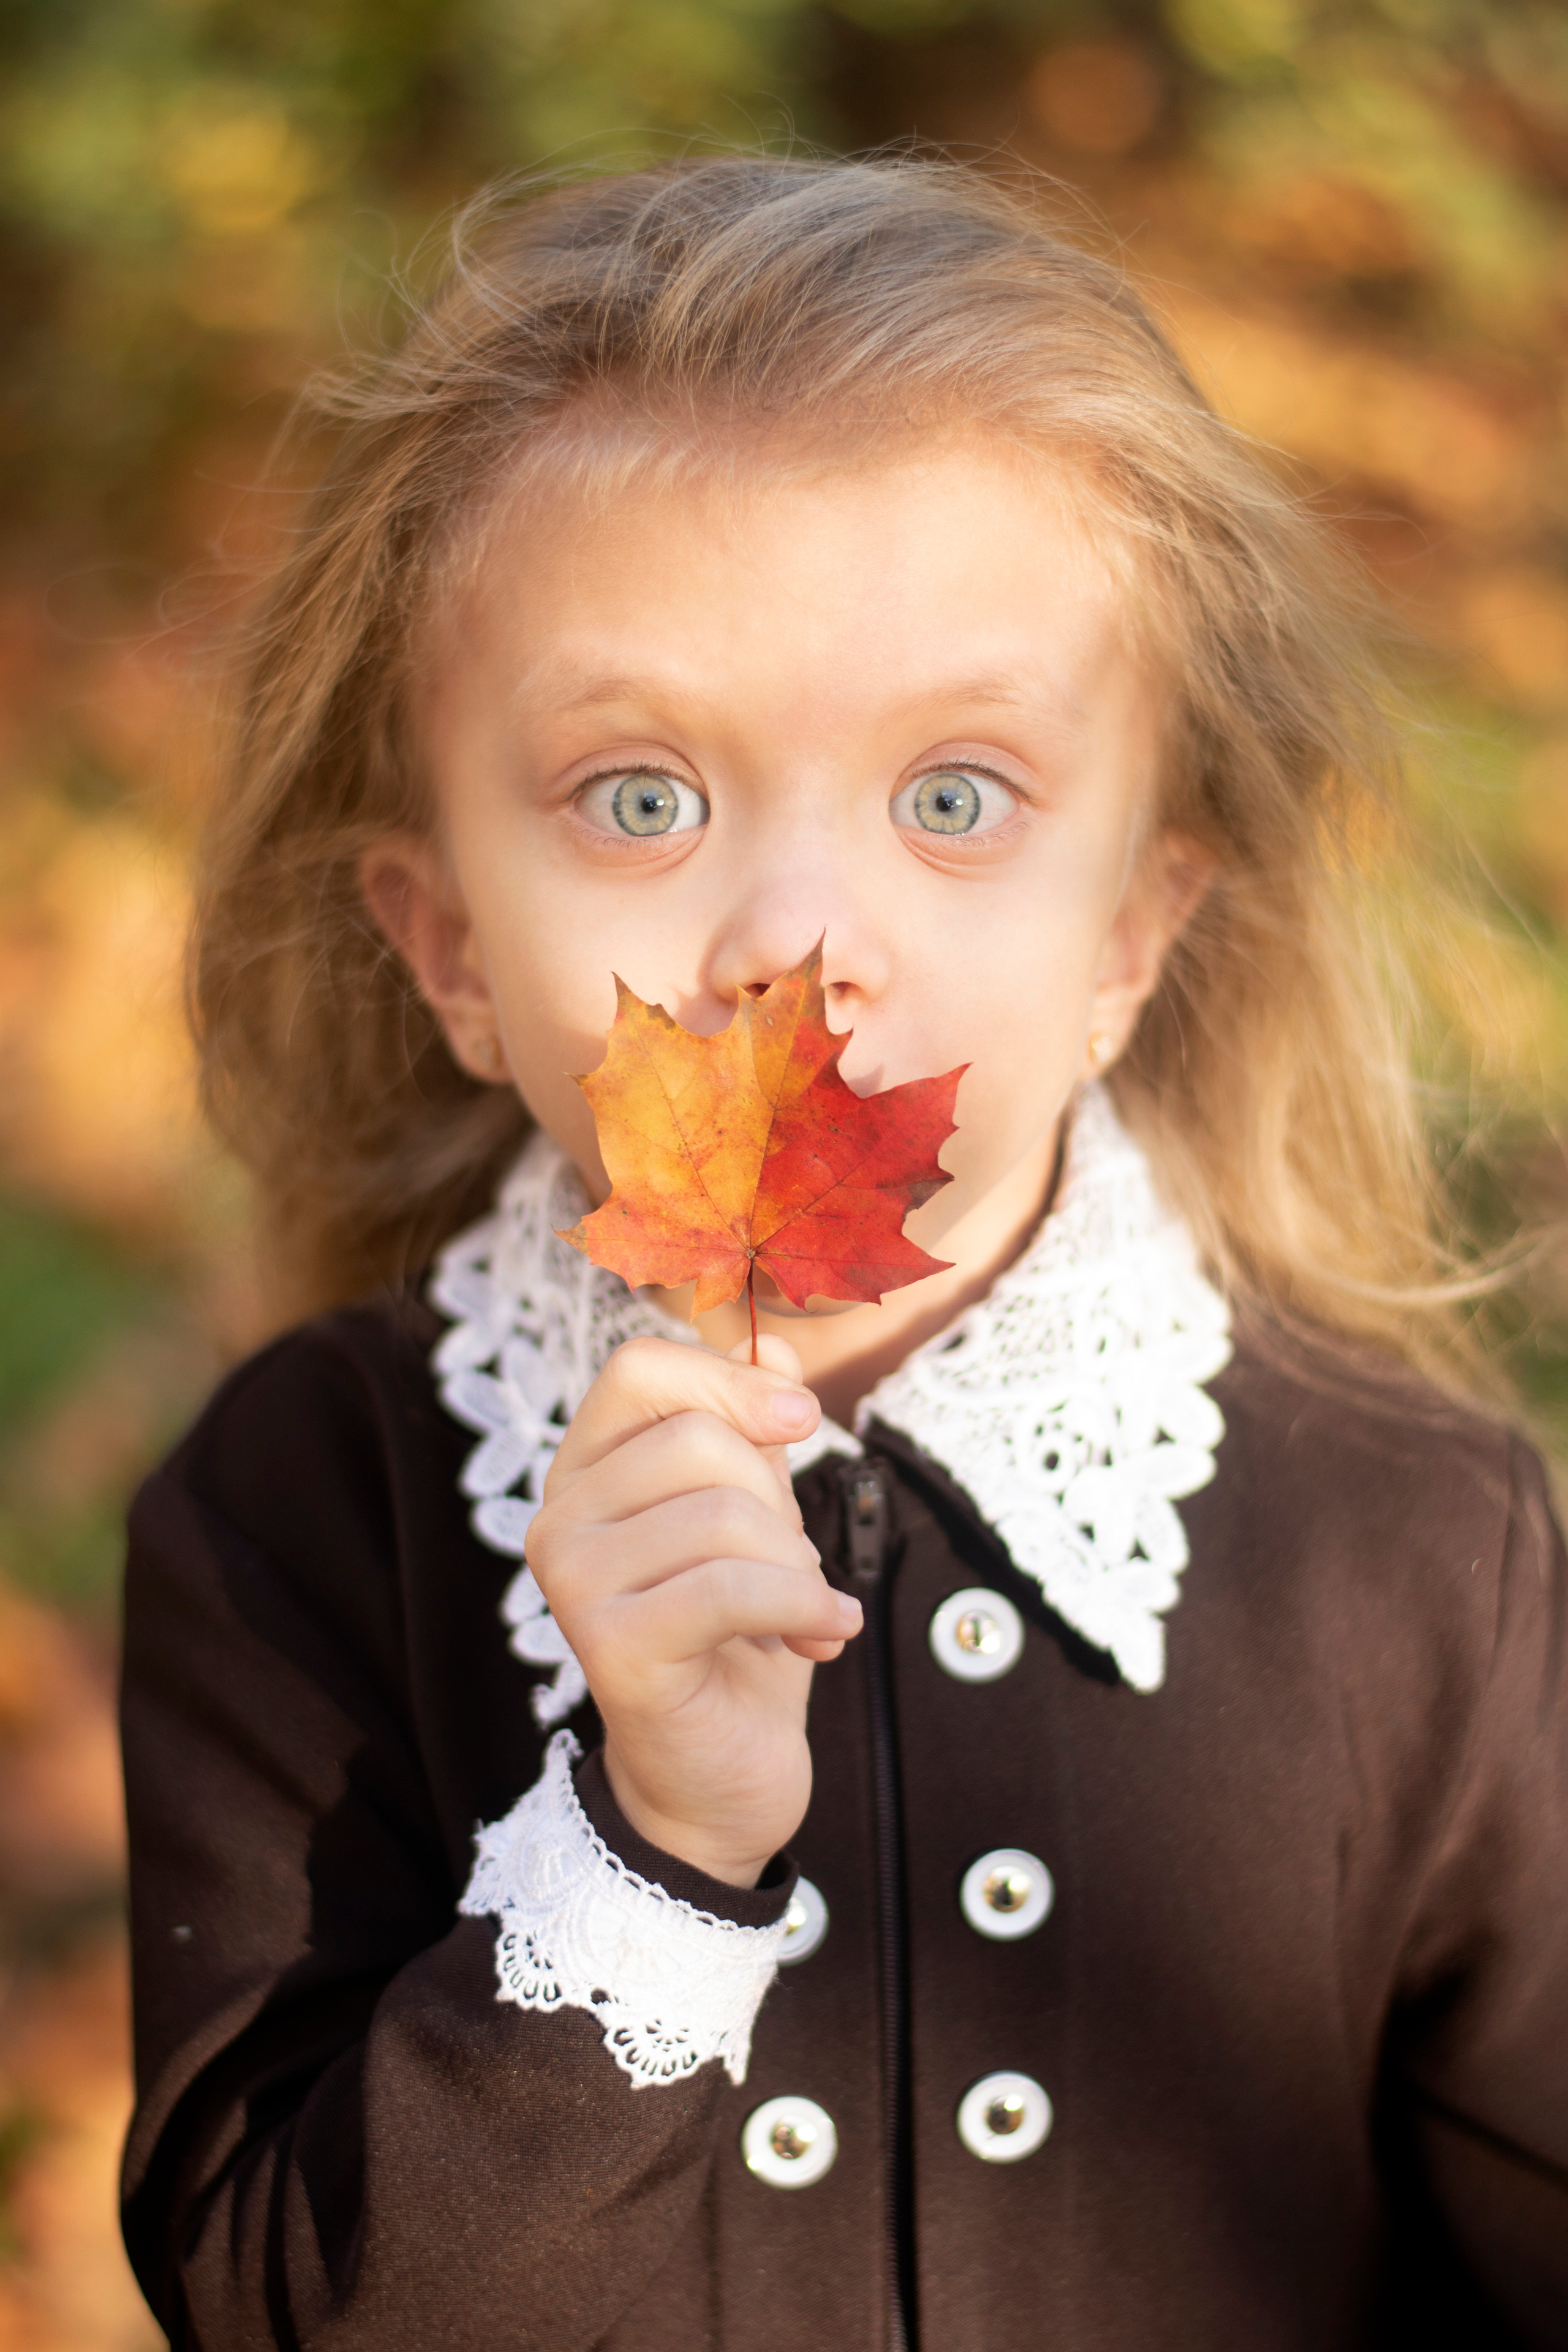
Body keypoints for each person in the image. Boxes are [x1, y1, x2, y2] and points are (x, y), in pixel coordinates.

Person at [119, 156, 1568, 2350]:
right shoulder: (307, 1516)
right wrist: (651, 1852)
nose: (798, 940)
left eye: (959, 797)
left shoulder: (1411, 1541)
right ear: (448, 957)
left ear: (1134, 934)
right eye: (638, 796)